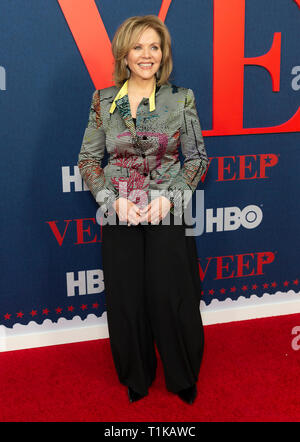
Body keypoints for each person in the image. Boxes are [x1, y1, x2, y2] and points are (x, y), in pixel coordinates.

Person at [78, 15, 208, 404]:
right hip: (120, 211)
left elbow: (197, 159)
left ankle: (182, 373)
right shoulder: (103, 100)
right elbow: (88, 160)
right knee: (127, 298)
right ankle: (137, 375)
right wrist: (112, 200)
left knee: (173, 294)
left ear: (163, 54)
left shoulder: (181, 98)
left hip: (169, 209)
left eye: (154, 46)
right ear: (124, 54)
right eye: (138, 47)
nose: (147, 55)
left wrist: (170, 198)